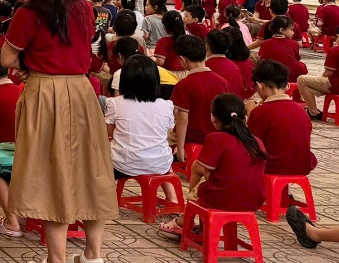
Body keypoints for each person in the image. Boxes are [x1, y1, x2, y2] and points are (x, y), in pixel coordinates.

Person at [2, 0, 116, 263]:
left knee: (53, 173)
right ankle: (94, 260)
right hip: (82, 91)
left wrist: (26, 65)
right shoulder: (84, 8)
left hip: (45, 92)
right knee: (91, 171)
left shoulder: (30, 12)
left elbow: (7, 59)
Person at [160, 93, 266, 238]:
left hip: (221, 199)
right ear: (244, 117)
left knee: (198, 172)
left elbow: (203, 171)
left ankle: (187, 217)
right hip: (254, 200)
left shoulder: (216, 138)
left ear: (213, 118)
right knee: (207, 175)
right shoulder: (257, 142)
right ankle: (195, 222)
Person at [105, 55, 178, 192]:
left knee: (102, 155)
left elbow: (109, 133)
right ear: (155, 80)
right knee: (161, 151)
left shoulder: (115, 103)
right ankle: (172, 197)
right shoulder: (166, 105)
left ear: (125, 80)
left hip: (123, 165)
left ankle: (104, 198)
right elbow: (167, 132)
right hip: (160, 164)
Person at [246, 58, 316, 179]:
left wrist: (250, 112)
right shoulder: (301, 111)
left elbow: (251, 146)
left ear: (260, 85)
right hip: (302, 166)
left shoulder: (260, 112)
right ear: (287, 85)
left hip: (273, 167)